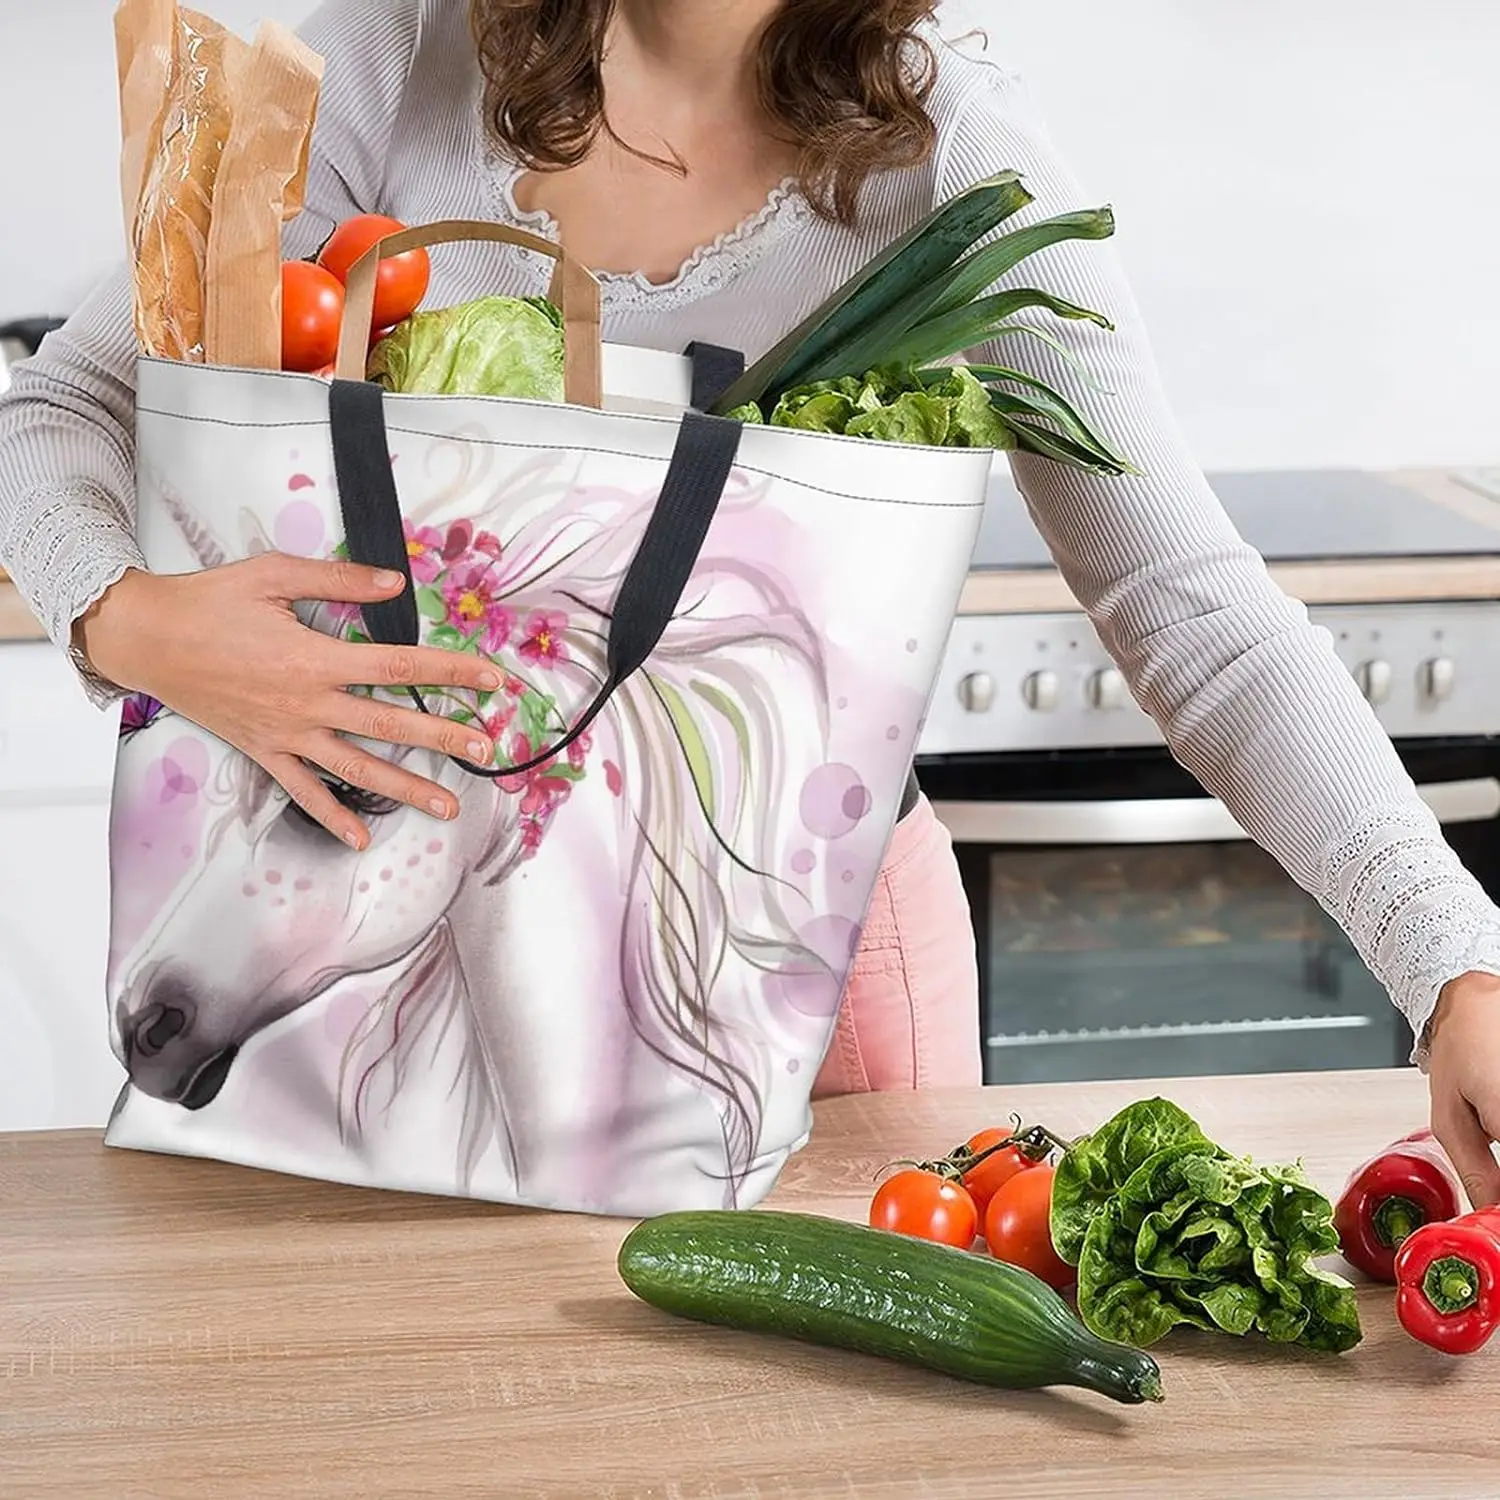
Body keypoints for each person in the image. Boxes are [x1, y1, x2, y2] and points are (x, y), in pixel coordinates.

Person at [2, 0, 1499, 1200]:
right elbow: (52, 408)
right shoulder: (398, 57)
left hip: (822, 964)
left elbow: (1193, 615)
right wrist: (126, 622)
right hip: (406, 956)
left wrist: (1456, 964)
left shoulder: (951, 159)